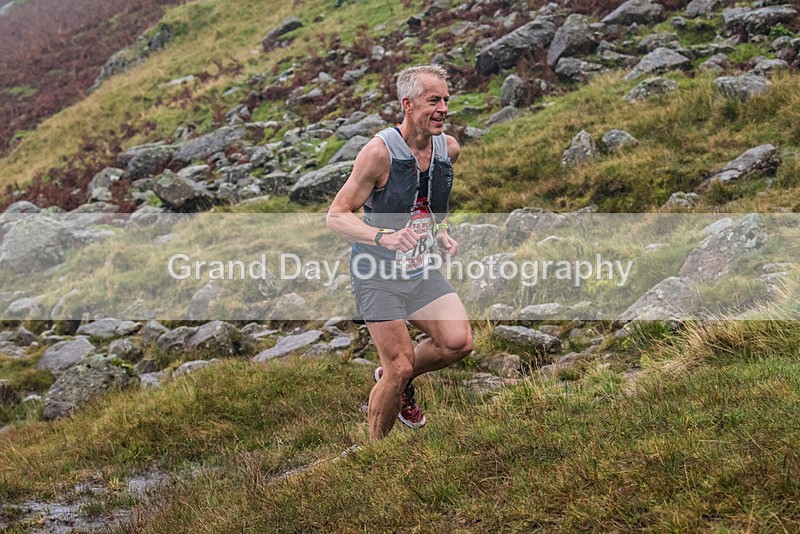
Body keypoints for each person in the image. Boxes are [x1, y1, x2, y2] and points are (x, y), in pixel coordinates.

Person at [326, 64, 473, 441]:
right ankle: (375, 453)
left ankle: (394, 379)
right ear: (408, 105)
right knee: (400, 365)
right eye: (433, 101)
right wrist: (381, 238)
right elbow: (336, 216)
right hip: (377, 275)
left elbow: (422, 204)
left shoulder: (447, 148)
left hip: (420, 269)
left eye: (445, 100)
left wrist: (440, 232)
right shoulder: (378, 154)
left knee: (458, 343)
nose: (443, 108)